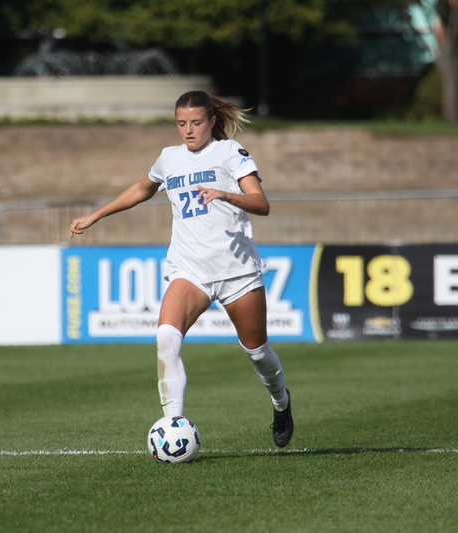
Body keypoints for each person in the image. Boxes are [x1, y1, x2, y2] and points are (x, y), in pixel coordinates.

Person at [69, 90, 293, 447]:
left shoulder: (229, 152)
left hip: (236, 269)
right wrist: (95, 215)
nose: (188, 130)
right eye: (181, 123)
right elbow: (143, 189)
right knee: (166, 338)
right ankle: (173, 425)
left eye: (196, 122)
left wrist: (225, 194)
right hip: (190, 269)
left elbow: (261, 203)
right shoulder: (169, 158)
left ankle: (281, 402)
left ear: (212, 121)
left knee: (257, 351)